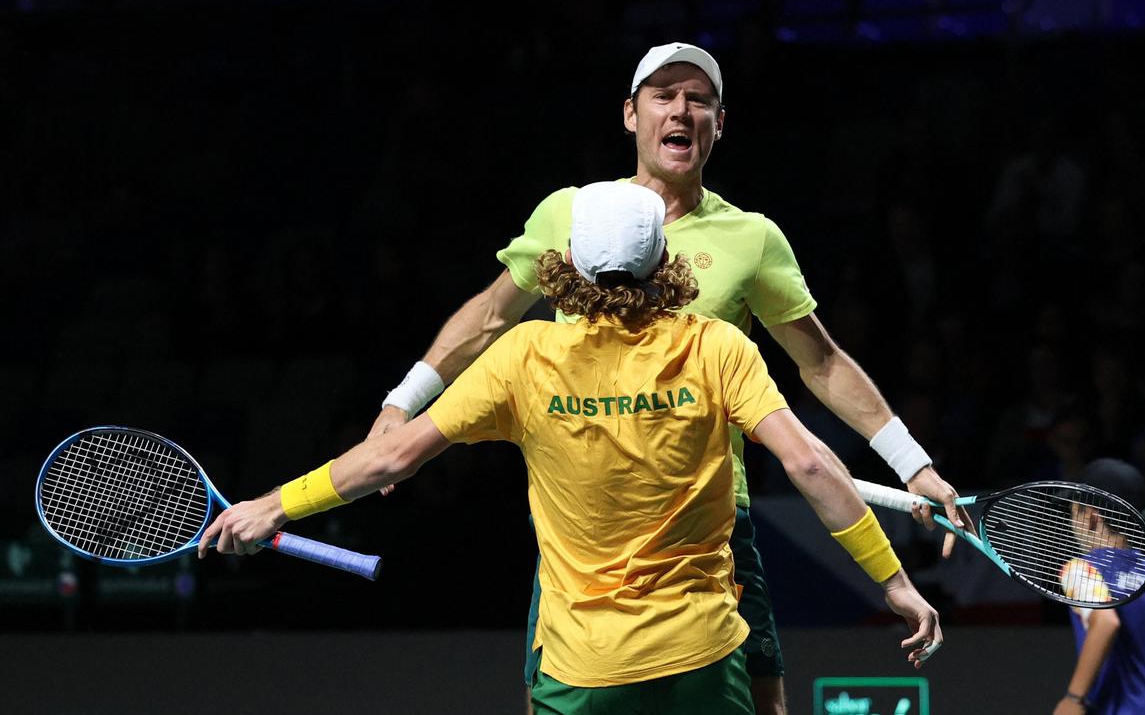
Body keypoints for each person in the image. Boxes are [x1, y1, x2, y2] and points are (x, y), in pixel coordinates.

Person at [368, 42, 968, 714]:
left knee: (764, 705)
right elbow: (488, 317)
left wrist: (912, 466)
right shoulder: (568, 215)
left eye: (698, 99)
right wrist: (402, 403)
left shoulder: (750, 238)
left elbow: (821, 362)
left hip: (706, 521)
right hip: (584, 525)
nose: (680, 110)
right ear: (630, 115)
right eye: (663, 95)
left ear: (719, 122)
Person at [199, 181, 944, 714]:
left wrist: (273, 505)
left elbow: (390, 459)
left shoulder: (524, 357)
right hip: (703, 657)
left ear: (569, 267)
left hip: (580, 670)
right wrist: (893, 584)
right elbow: (811, 463)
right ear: (665, 263)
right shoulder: (718, 346)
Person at [1054, 458, 1145, 715]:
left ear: (1090, 517)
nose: (1070, 522)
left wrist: (1074, 699)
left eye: (1072, 511)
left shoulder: (1081, 570)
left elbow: (1107, 622)